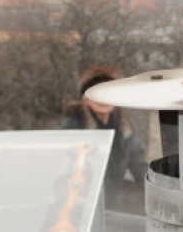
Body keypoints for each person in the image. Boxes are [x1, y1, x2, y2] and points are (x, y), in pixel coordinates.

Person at [62, 65, 148, 212]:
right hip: (80, 210)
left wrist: (161, 200)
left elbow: (141, 169)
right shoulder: (74, 126)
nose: (102, 99)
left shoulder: (124, 128)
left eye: (108, 92)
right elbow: (65, 173)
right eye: (96, 92)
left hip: (112, 210)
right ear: (85, 97)